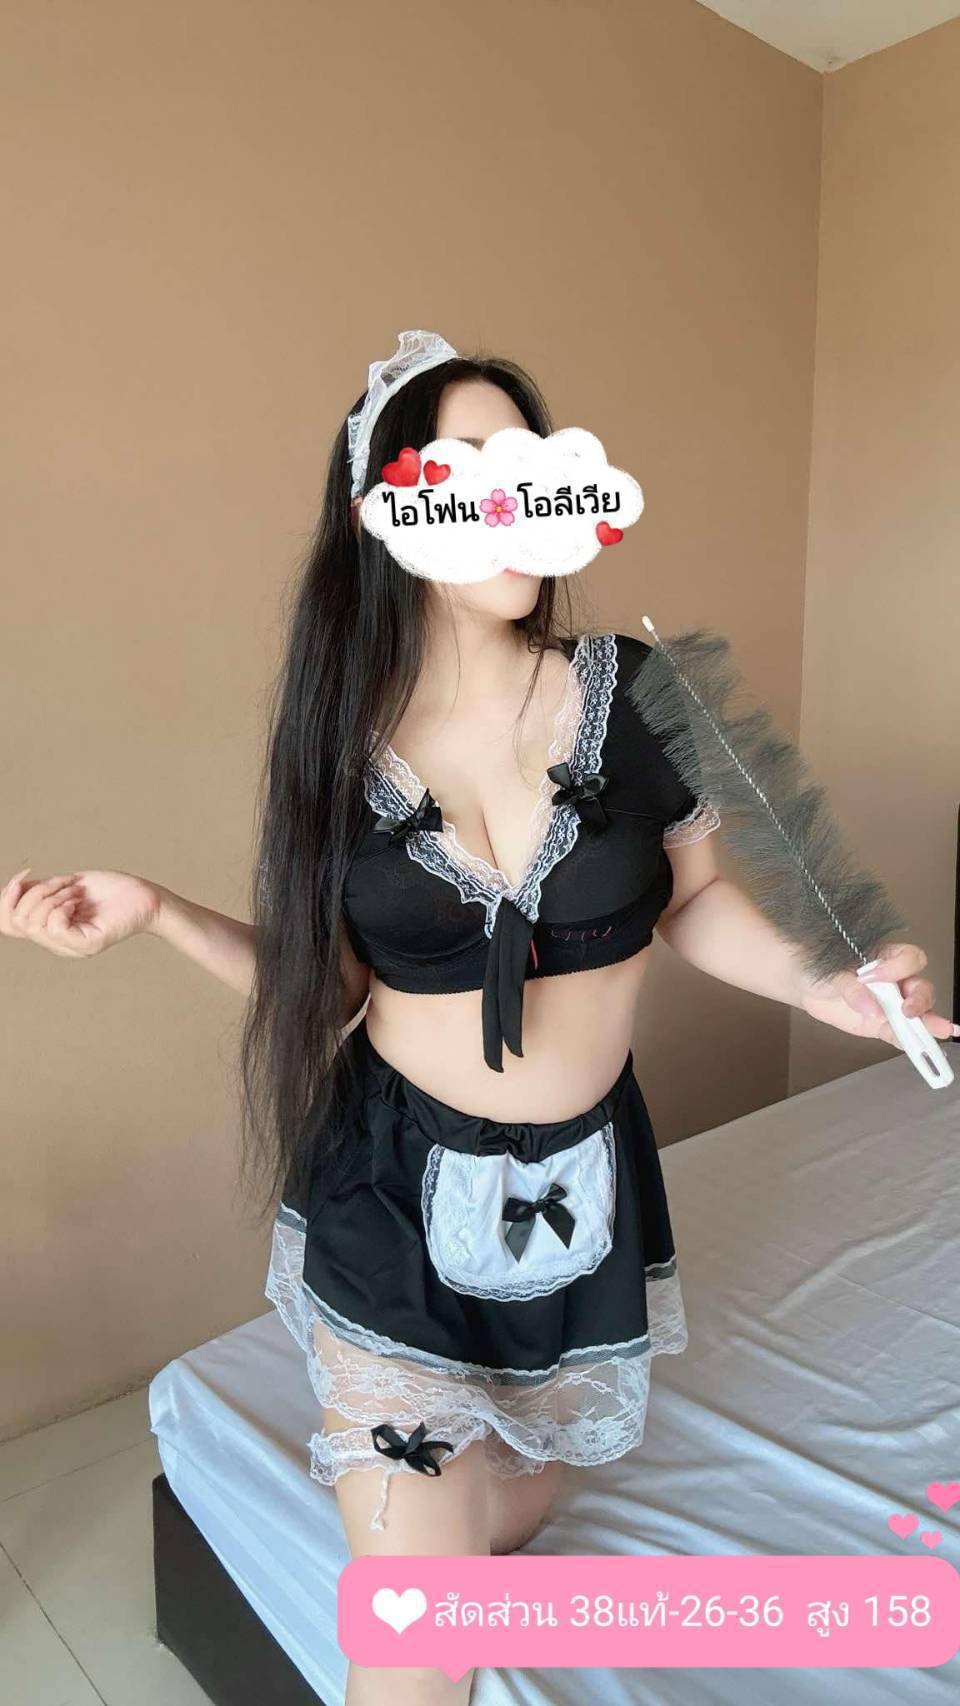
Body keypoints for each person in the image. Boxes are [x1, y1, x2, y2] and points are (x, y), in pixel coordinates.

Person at [4, 331, 953, 1706]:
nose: (512, 492)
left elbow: (692, 901)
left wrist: (827, 984)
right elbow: (329, 990)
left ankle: (467, 1490)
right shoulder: (337, 745)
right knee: (421, 1639)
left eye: (531, 460)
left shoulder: (635, 692)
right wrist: (155, 911)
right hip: (390, 1193)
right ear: (385, 514)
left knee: (520, 1499)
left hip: (582, 1190)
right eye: (471, 465)